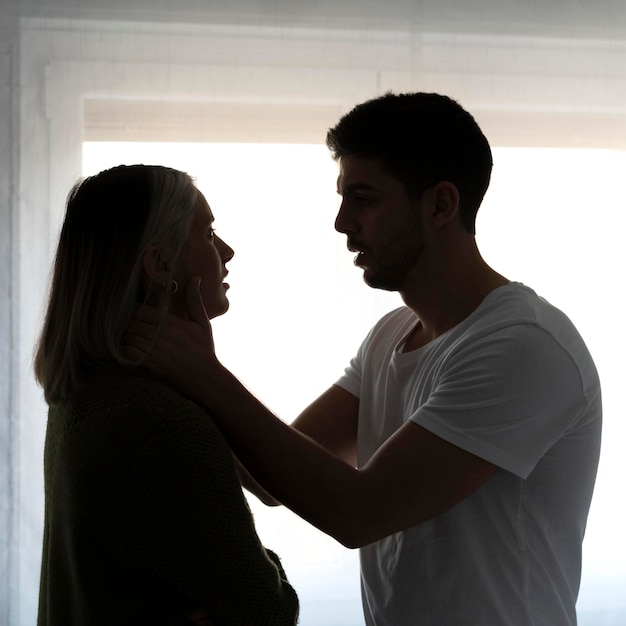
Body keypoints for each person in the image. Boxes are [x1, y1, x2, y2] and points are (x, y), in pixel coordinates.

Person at [126, 93, 602, 625]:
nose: (340, 222)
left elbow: (358, 513)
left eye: (364, 199)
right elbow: (270, 479)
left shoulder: (525, 346)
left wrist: (206, 376)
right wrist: (180, 368)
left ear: (441, 205)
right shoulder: (389, 336)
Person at [33, 164, 299, 626]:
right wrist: (265, 570)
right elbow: (270, 612)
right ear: (159, 265)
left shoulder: (85, 395)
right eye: (210, 234)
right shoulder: (163, 428)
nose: (228, 252)